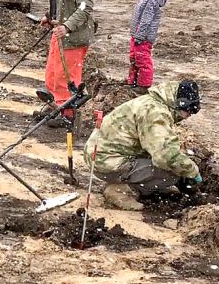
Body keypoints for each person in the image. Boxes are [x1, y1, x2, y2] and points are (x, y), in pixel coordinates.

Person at [84, 80, 203, 211]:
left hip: (102, 156)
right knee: (171, 173)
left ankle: (141, 185)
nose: (189, 116)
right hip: (107, 162)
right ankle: (122, 190)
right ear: (181, 104)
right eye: (189, 111)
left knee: (172, 166)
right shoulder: (156, 113)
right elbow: (166, 156)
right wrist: (192, 172)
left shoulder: (151, 103)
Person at [38, 0, 96, 127]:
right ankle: (55, 105)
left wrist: (68, 26)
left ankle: (67, 114)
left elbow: (85, 7)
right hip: (60, 31)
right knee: (53, 73)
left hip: (72, 36)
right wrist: (50, 17)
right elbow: (59, 0)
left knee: (67, 77)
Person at [128, 0, 167, 93]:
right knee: (134, 58)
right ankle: (133, 81)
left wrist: (139, 37)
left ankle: (144, 85)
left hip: (142, 39)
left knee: (143, 60)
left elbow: (146, 21)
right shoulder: (145, 0)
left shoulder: (149, 1)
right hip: (137, 37)